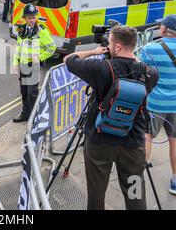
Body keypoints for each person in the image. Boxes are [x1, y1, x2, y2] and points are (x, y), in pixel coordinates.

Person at [64, 26, 159, 210]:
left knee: (97, 192)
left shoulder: (101, 68)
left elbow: (68, 60)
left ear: (116, 47)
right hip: (132, 144)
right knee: (135, 193)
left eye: (109, 43)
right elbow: (137, 68)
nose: (107, 46)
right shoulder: (151, 73)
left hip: (100, 141)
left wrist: (94, 51)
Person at [141, 14, 176, 196]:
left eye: (161, 26)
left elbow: (143, 71)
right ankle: (175, 181)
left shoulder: (150, 49)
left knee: (147, 136)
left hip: (154, 103)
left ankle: (138, 177)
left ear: (164, 29)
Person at [13, 3, 56, 122]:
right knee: (24, 91)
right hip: (23, 65)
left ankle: (35, 117)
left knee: (32, 93)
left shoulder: (41, 31)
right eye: (29, 17)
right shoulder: (22, 30)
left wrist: (40, 57)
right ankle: (25, 114)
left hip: (33, 66)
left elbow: (52, 47)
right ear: (24, 18)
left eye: (33, 17)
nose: (32, 20)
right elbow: (18, 48)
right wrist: (15, 64)